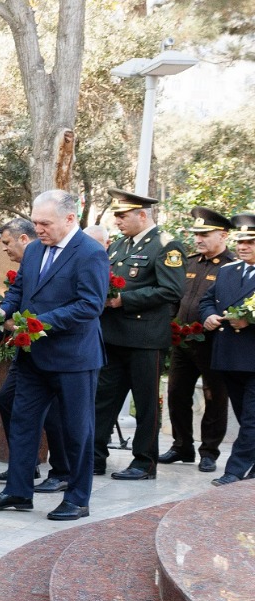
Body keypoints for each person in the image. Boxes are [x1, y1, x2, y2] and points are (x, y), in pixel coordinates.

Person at [0, 189, 109, 520]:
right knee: (23, 422)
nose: (39, 229)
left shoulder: (90, 253)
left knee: (77, 431)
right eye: (35, 222)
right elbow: (19, 292)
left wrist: (37, 324)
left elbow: (90, 305)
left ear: (70, 219)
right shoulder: (34, 251)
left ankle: (77, 498)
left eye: (45, 223)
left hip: (73, 359)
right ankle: (18, 491)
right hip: (32, 356)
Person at [92, 190, 186, 480]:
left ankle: (144, 463)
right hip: (113, 335)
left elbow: (171, 290)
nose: (117, 220)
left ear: (142, 215)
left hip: (144, 339)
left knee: (145, 404)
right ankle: (94, 458)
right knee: (102, 400)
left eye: (123, 215)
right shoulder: (119, 245)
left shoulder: (166, 246)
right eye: (117, 215)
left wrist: (125, 300)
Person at [0, 217, 70, 492]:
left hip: (57, 349)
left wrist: (27, 324)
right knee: (7, 399)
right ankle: (25, 466)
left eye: (7, 242)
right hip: (28, 350)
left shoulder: (66, 256)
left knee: (54, 413)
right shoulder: (32, 259)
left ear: (24, 239)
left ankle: (62, 471)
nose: (4, 249)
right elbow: (17, 294)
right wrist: (0, 319)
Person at [161, 207, 235, 473]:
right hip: (182, 341)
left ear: (223, 235)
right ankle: (182, 446)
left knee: (215, 396)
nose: (198, 239)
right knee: (176, 393)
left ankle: (209, 451)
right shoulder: (190, 262)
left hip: (214, 343)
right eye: (196, 234)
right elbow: (175, 298)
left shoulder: (232, 266)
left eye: (205, 234)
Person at [199, 212, 255, 487]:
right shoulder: (228, 270)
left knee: (252, 418)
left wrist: (250, 321)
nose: (243, 246)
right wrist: (208, 315)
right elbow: (208, 300)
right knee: (247, 415)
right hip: (230, 356)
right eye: (241, 241)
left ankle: (234, 469)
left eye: (251, 242)